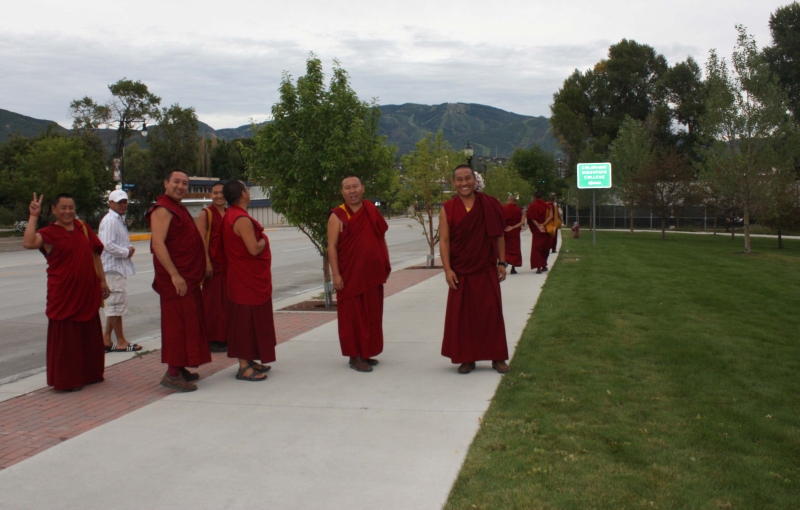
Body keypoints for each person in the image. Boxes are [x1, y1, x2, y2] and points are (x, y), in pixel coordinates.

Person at [22, 193, 110, 392]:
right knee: (67, 340)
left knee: (88, 336)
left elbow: (95, 254)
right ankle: (68, 380)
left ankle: (90, 374)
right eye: (63, 207)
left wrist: (102, 281)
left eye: (71, 207)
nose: (68, 211)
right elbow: (28, 243)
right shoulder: (49, 233)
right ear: (54, 210)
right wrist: (33, 216)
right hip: (64, 294)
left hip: (87, 292)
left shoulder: (83, 228)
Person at [439, 165, 509, 375]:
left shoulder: (490, 203)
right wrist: (447, 269)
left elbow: (499, 235)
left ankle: (498, 357)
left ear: (475, 180)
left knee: (492, 314)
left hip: (486, 268)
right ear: (454, 183)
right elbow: (444, 241)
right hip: (461, 271)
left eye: (467, 178)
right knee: (463, 317)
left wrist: (502, 262)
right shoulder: (448, 208)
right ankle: (466, 358)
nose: (464, 183)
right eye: (459, 179)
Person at [146, 170, 212, 392]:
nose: (180, 186)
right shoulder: (163, 209)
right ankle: (172, 374)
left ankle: (180, 367)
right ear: (166, 183)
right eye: (176, 182)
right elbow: (158, 244)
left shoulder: (179, 208)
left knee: (189, 324)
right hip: (176, 280)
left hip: (188, 277)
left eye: (185, 183)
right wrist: (174, 274)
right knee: (177, 326)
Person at [327, 176, 391, 373]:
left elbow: (380, 238)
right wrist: (335, 275)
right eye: (347, 187)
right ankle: (355, 356)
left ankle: (366, 352)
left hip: (371, 275)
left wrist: (384, 263)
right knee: (352, 317)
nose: (352, 190)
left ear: (363, 188)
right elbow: (332, 246)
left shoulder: (371, 210)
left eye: (355, 186)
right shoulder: (337, 216)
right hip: (350, 276)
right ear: (342, 192)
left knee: (371, 314)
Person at [221, 180, 276, 381]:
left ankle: (250, 359)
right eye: (246, 188)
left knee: (252, 321)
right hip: (246, 280)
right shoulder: (240, 218)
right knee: (245, 322)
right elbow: (253, 248)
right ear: (243, 194)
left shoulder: (231, 215)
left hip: (243, 276)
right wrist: (265, 240)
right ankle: (244, 366)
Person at [98, 189, 141, 353]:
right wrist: (125, 252)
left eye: (124, 202)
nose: (123, 205)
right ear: (110, 203)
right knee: (116, 304)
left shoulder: (118, 219)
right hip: (112, 268)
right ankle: (121, 341)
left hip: (117, 267)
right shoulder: (110, 220)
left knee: (114, 304)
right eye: (119, 202)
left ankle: (106, 338)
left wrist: (126, 249)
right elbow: (107, 244)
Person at [196, 182, 229, 353]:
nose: (218, 196)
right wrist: (206, 262)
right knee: (211, 304)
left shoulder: (229, 213)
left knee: (226, 303)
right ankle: (212, 338)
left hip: (227, 266)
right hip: (213, 266)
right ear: (210, 195)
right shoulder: (206, 213)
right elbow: (201, 239)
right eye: (215, 193)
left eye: (221, 192)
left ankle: (225, 336)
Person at [526, 191, 552, 274]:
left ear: (534, 197)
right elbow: (551, 216)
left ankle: (538, 268)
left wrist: (538, 226)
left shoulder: (532, 205)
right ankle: (544, 265)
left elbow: (531, 217)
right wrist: (543, 224)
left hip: (537, 230)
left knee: (537, 248)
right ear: (542, 197)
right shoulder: (547, 205)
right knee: (545, 247)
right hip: (546, 229)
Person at [502, 195, 524, 275]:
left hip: (506, 231)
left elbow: (500, 219)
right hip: (515, 232)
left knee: (505, 248)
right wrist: (513, 227)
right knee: (515, 248)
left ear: (510, 200)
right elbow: (522, 222)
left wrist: (504, 227)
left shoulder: (504, 209)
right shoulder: (520, 210)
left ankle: (505, 261)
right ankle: (513, 268)